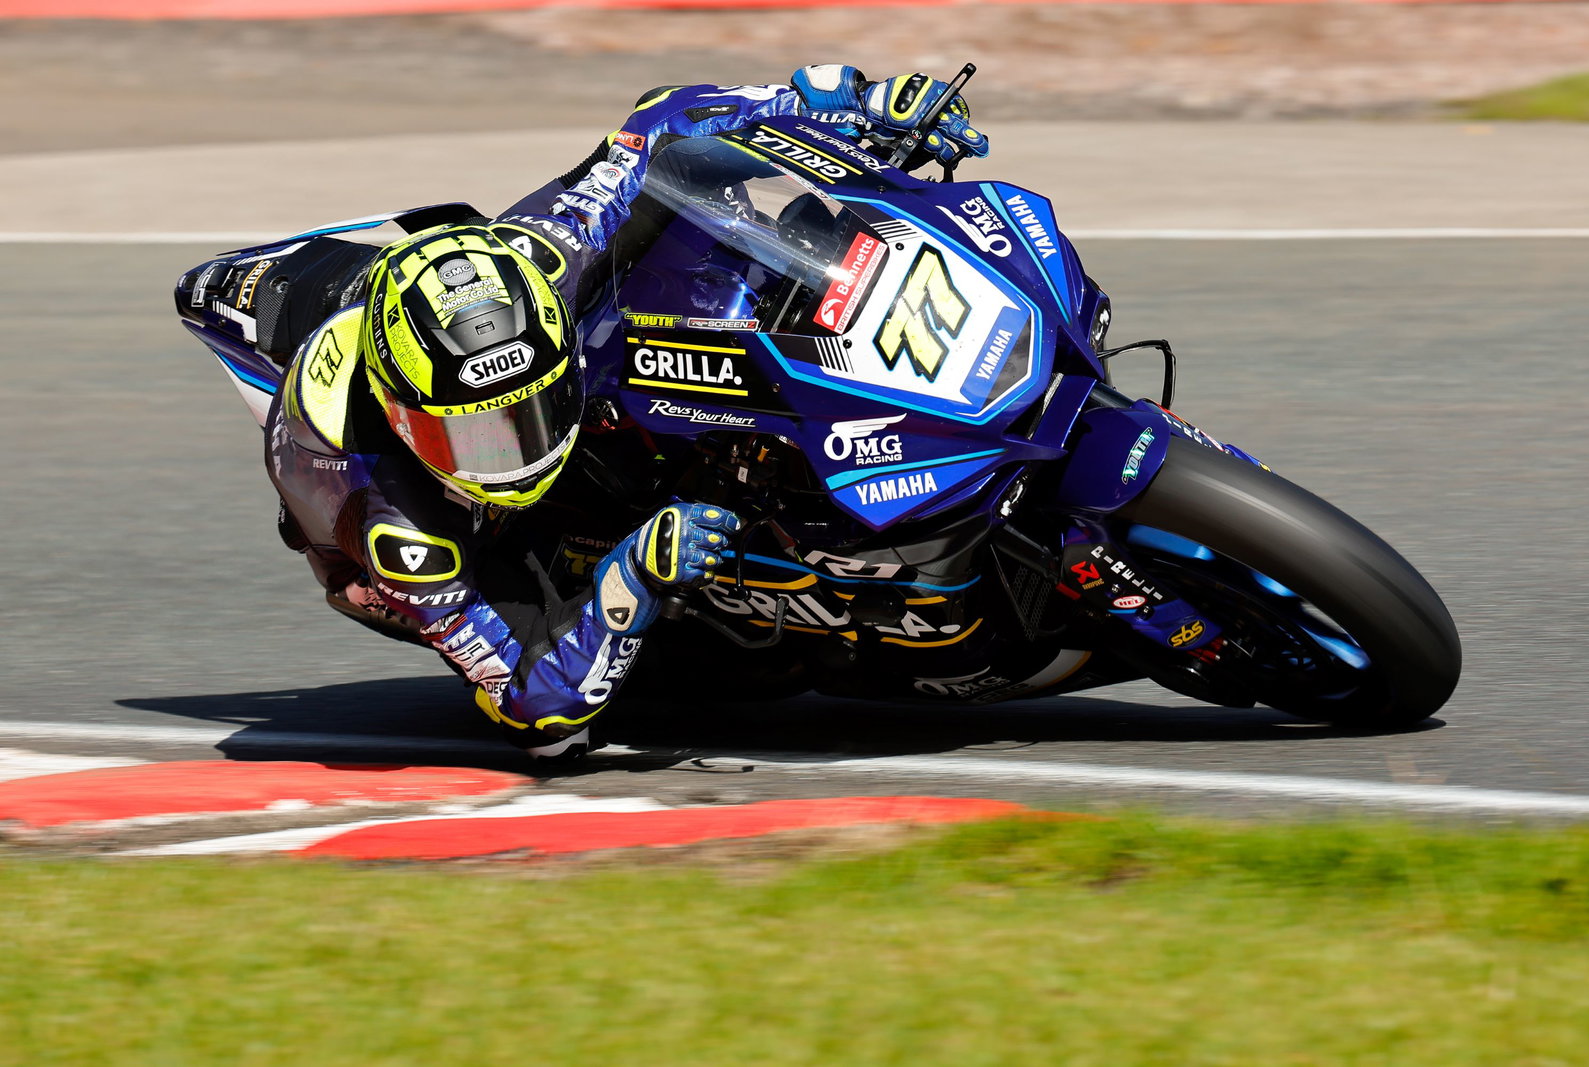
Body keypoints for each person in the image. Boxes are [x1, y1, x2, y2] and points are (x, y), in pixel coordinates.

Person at [174, 66, 989, 762]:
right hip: (415, 510)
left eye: (533, 410)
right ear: (404, 416)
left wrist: (851, 99)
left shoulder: (547, 252)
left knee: (684, 239)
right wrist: (630, 578)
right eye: (483, 433)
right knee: (540, 654)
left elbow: (663, 122)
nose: (516, 451)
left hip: (408, 289)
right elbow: (538, 716)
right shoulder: (392, 521)